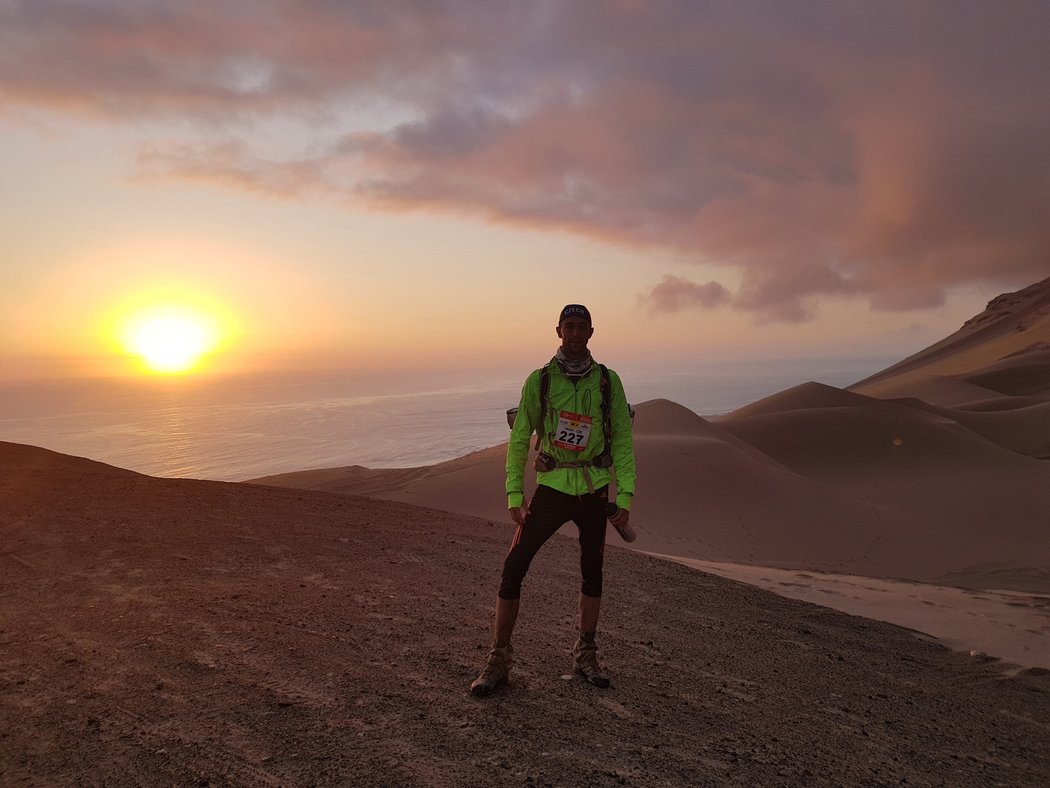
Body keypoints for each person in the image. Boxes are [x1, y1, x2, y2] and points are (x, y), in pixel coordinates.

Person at [471, 304, 637, 696]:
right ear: (558, 331)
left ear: (591, 332)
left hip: (594, 489)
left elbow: (624, 441)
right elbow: (519, 437)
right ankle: (498, 659)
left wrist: (624, 492)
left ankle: (586, 654)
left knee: (592, 571)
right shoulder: (540, 381)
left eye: (582, 327)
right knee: (515, 566)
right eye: (569, 327)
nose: (575, 333)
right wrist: (515, 491)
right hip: (553, 488)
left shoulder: (608, 382)